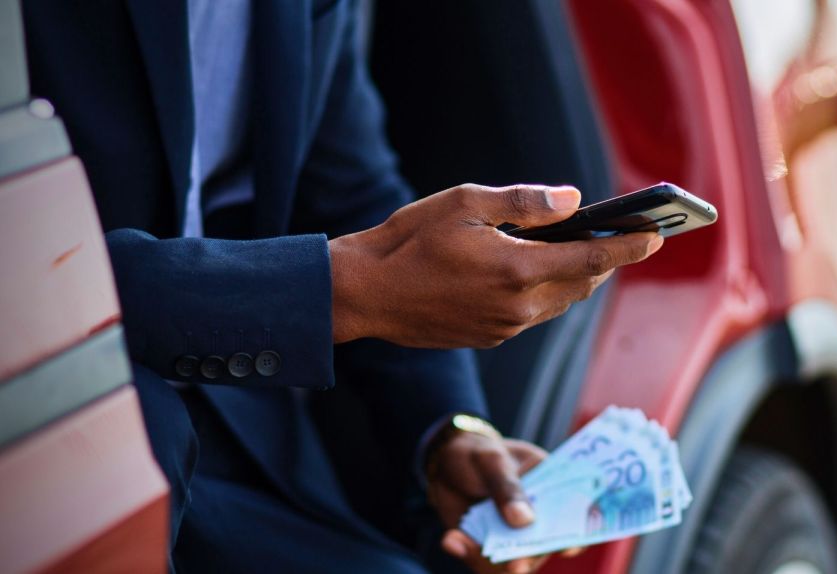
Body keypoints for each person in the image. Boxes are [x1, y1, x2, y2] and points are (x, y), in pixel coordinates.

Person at [21, 0, 662, 572]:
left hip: (242, 437)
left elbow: (351, 193)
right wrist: (338, 292)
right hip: (48, 447)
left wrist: (449, 432)